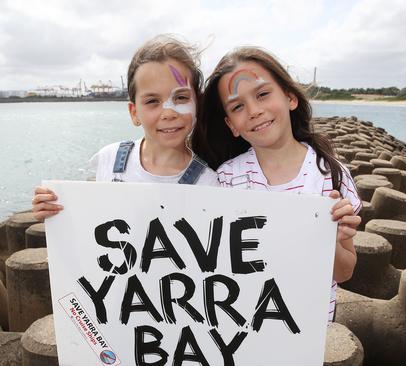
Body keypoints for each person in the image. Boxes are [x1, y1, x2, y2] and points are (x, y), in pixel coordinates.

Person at [192, 47, 361, 322]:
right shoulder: (224, 180)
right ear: (231, 124)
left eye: (262, 94)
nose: (254, 111)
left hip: (308, 332)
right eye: (237, 106)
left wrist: (332, 239)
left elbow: (344, 272)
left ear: (290, 97)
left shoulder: (330, 175)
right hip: (242, 329)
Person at [32, 35, 219, 221]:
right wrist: (54, 211)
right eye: (153, 101)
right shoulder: (108, 160)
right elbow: (93, 222)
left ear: (198, 104)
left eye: (181, 97)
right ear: (134, 112)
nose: (168, 112)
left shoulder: (208, 183)